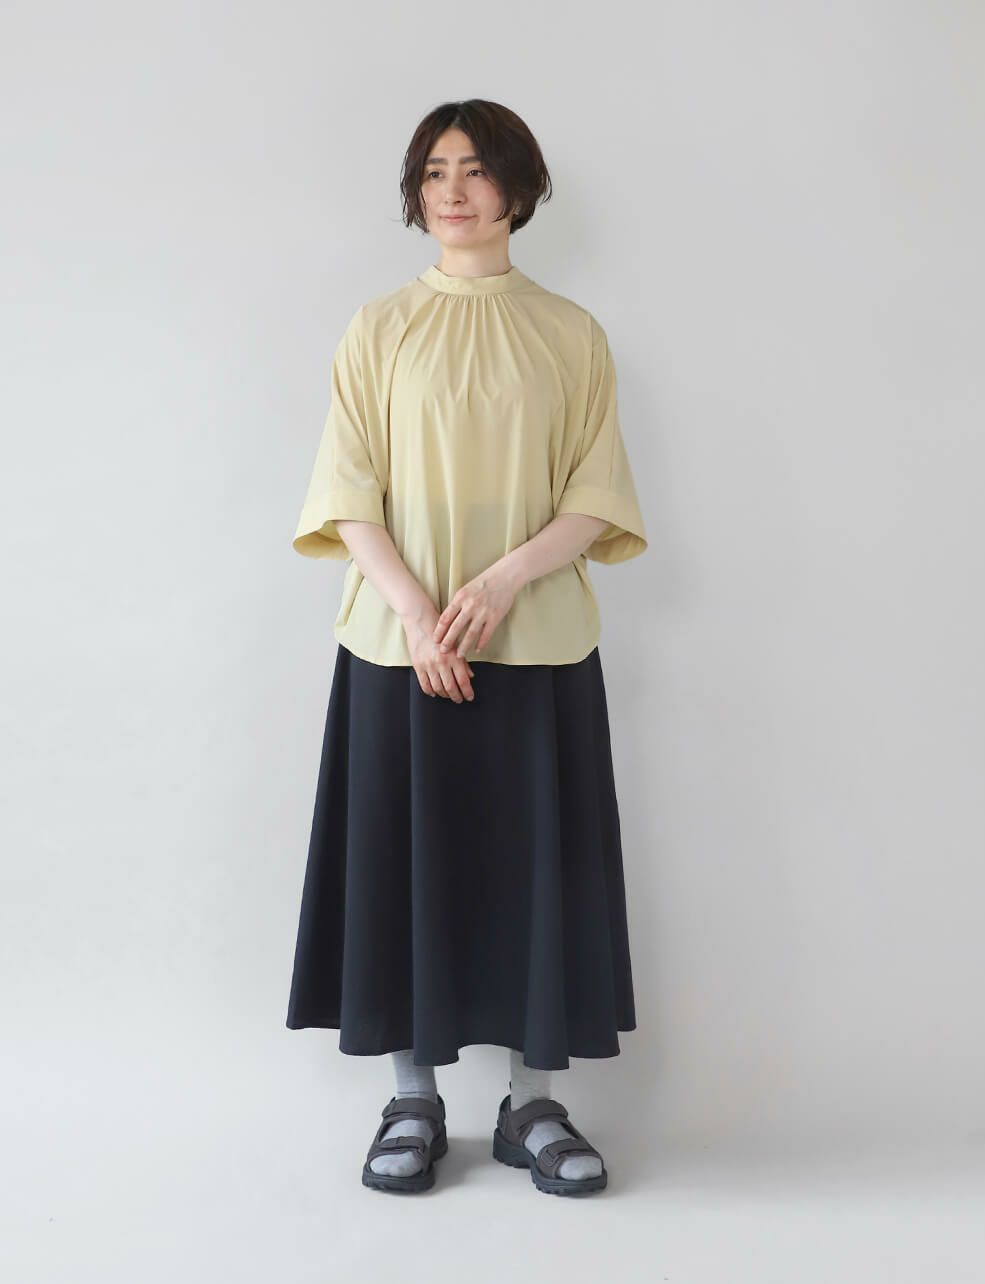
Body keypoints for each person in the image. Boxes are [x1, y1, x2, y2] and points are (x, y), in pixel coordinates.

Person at [285, 99, 648, 1197]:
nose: (453, 189)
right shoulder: (377, 328)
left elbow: (595, 496)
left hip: (534, 643)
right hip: (398, 650)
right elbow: (347, 492)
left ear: (518, 189)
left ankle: (533, 1105)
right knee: (404, 866)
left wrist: (497, 585)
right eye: (435, 169)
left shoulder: (571, 333)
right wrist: (413, 611)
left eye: (477, 169)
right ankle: (412, 1100)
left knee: (543, 872)